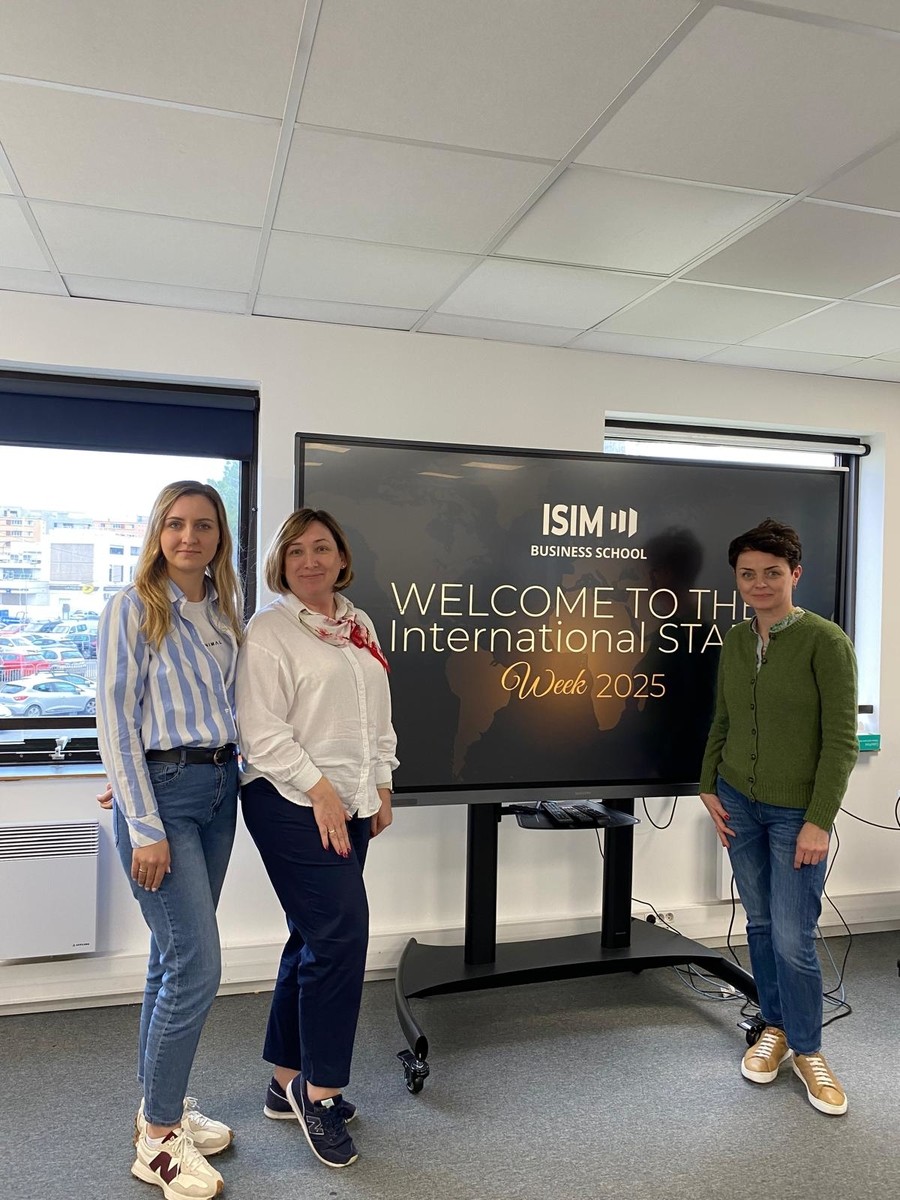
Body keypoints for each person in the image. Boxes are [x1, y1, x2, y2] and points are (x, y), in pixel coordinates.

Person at [236, 507, 397, 1169]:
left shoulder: (358, 625)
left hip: (351, 801)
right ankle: (320, 1092)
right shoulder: (269, 631)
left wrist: (382, 782)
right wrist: (321, 789)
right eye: (296, 550)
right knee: (340, 939)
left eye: (322, 548)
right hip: (286, 801)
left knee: (312, 937)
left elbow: (377, 715)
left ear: (341, 558)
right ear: (281, 561)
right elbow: (261, 732)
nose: (309, 560)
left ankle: (284, 1083)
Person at [97, 480, 244, 1199]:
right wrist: (142, 819)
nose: (190, 537)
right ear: (158, 532)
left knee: (171, 955)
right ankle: (157, 1141)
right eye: (177, 524)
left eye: (204, 525)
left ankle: (162, 1104)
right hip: (164, 800)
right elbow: (115, 717)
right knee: (198, 966)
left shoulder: (223, 611)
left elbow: (233, 708)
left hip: (220, 790)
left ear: (220, 538)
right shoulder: (132, 607)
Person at [698, 517, 857, 1116]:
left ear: (795, 574)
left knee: (793, 937)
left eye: (772, 572)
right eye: (747, 574)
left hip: (797, 814)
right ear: (737, 580)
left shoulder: (826, 642)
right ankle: (776, 1027)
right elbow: (724, 718)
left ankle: (809, 1049)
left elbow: (841, 741)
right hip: (738, 800)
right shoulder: (737, 640)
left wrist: (820, 819)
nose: (759, 583)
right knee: (761, 925)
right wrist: (707, 784)